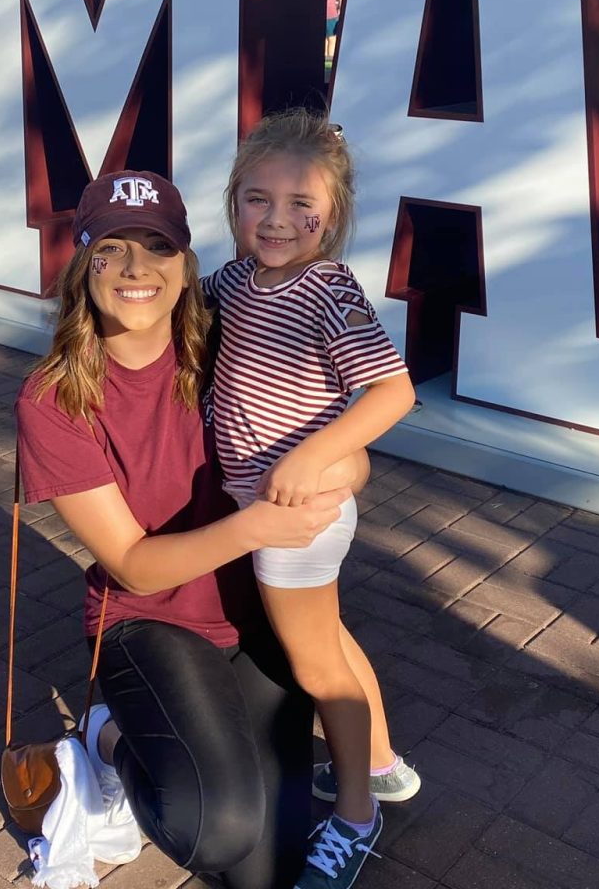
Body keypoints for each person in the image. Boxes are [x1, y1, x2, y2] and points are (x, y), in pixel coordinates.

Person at [15, 170, 367, 889]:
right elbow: (134, 566)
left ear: (186, 268)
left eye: (158, 247)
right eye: (112, 249)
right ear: (83, 265)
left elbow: (349, 450)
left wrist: (337, 470)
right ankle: (107, 737)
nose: (137, 269)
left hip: (258, 609)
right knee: (215, 829)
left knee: (267, 874)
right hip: (150, 621)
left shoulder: (233, 341)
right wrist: (259, 523)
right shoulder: (54, 401)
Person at [204, 109, 420, 889]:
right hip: (266, 504)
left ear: (334, 215)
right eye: (257, 199)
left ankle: (356, 814)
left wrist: (317, 455)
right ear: (233, 202)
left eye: (303, 205)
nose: (278, 220)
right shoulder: (235, 280)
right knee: (328, 639)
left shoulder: (326, 288)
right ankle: (385, 763)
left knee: (314, 665)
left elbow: (392, 392)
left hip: (297, 513)